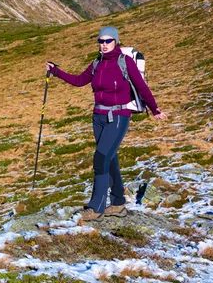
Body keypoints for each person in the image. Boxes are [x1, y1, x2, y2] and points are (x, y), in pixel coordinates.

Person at [45, 26, 168, 221]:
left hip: (119, 116)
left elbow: (141, 87)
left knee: (101, 159)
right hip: (98, 117)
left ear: (116, 42)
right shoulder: (96, 63)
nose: (104, 45)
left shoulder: (125, 62)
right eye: (100, 41)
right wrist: (56, 72)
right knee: (109, 159)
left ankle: (96, 208)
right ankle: (118, 203)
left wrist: (154, 109)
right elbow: (78, 81)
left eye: (108, 41)